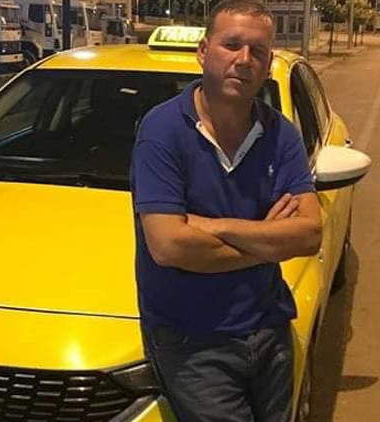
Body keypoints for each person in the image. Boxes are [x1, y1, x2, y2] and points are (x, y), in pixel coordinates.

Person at [129, 1, 322, 421]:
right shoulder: (162, 131)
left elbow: (310, 234)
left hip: (269, 329)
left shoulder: (281, 135)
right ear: (203, 51)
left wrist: (213, 226)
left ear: (268, 65)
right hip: (192, 340)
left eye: (257, 51)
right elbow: (169, 246)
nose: (244, 59)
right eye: (231, 45)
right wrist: (269, 242)